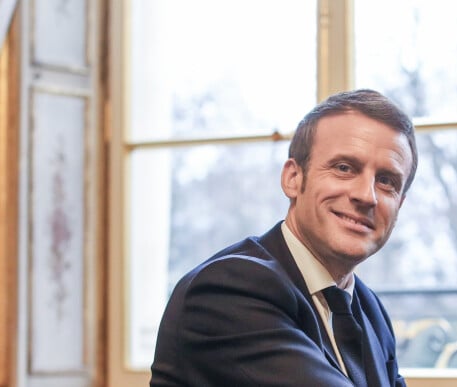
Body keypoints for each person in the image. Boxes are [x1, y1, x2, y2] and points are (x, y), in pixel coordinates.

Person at [150, 89, 418, 387]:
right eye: (344, 168)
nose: (366, 196)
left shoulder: (369, 310)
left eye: (386, 182)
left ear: (399, 205)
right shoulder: (228, 291)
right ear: (293, 178)